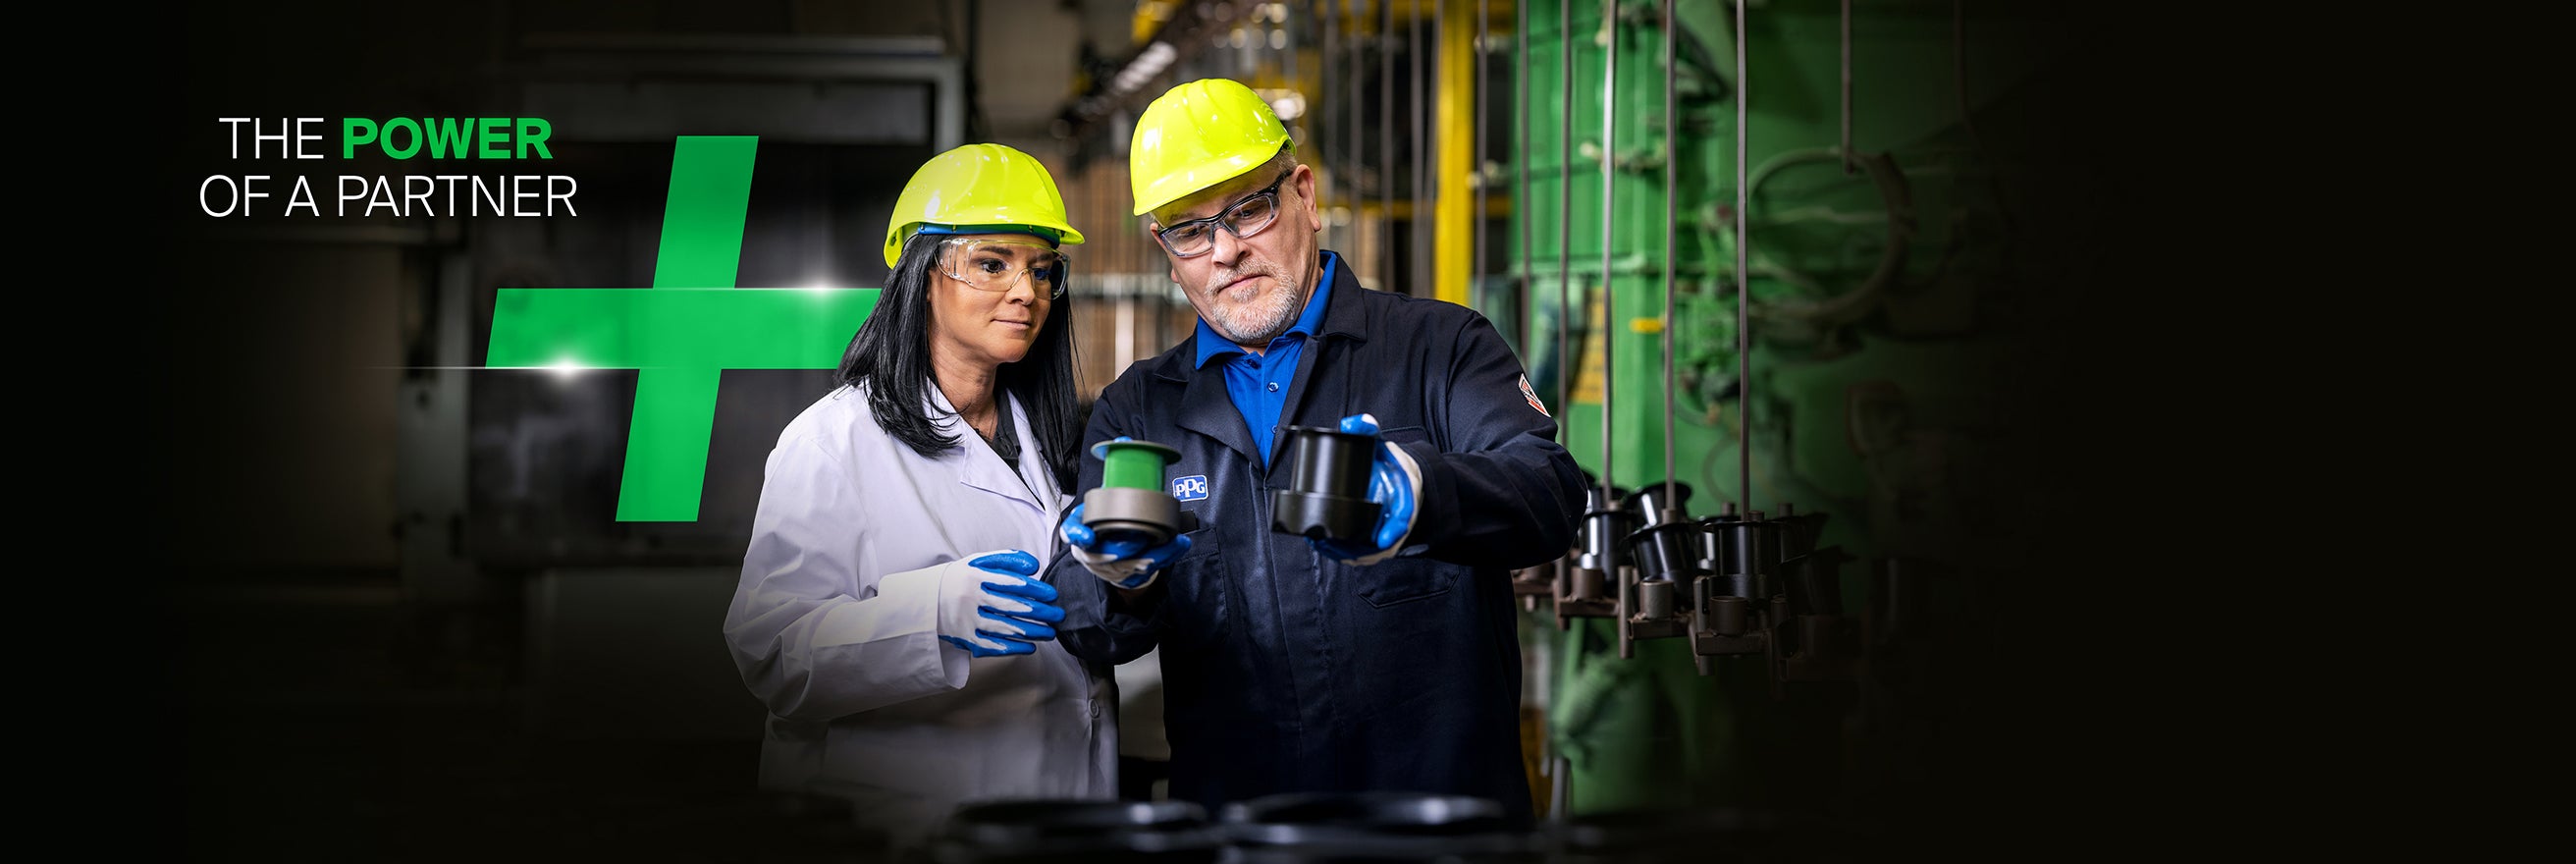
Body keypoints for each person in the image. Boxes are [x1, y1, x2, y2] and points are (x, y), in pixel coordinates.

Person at [1048, 79, 1585, 822]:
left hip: (1442, 825)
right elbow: (1089, 630)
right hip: (1245, 832)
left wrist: (1418, 492)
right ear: (1167, 254)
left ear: (1303, 193)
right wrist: (1114, 575)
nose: (1226, 250)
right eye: (1190, 231)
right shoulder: (1140, 410)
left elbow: (1549, 493)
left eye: (1249, 209)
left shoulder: (1440, 347)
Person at [723, 143, 1113, 846]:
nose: (1026, 292)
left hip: (1058, 813)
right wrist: (932, 614)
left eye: (1042, 269)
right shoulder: (834, 441)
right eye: (993, 263)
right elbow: (772, 657)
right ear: (922, 275)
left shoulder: (1053, 441)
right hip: (908, 821)